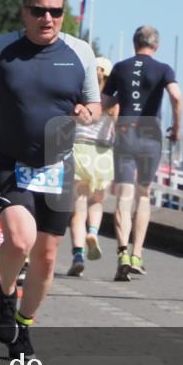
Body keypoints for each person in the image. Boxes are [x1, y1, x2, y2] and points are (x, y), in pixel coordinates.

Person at [0, 0, 101, 359]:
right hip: (11, 161)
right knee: (19, 240)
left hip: (59, 165)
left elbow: (94, 104)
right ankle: (5, 294)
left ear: (63, 15)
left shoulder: (80, 52)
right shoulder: (2, 48)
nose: (47, 18)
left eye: (55, 11)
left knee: (48, 257)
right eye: (39, 11)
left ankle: (23, 325)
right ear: (25, 13)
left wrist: (88, 112)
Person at [103, 25, 183, 281]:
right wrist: (177, 128)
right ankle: (137, 255)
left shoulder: (121, 67)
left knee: (124, 196)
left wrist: (121, 99)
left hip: (125, 131)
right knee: (144, 196)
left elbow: (104, 102)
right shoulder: (163, 69)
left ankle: (122, 253)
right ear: (156, 45)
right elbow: (176, 97)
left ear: (134, 43)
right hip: (150, 134)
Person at [67, 57, 117, 277]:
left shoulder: (81, 97)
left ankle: (78, 254)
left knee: (77, 210)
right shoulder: (113, 103)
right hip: (103, 154)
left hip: (80, 152)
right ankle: (94, 233)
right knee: (96, 203)